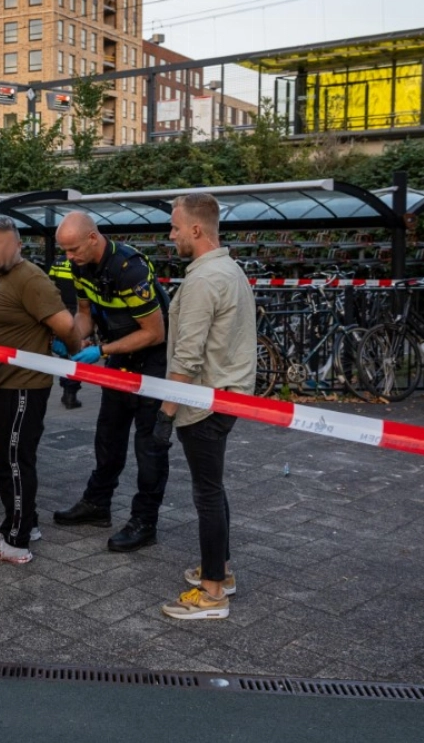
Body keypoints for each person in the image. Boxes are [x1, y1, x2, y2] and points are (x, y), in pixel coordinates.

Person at [156, 193, 257, 621]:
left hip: (204, 403)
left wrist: (165, 413)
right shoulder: (230, 269)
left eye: (176, 227)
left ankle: (213, 594)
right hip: (226, 396)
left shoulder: (203, 280)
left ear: (196, 229)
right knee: (213, 488)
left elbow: (187, 357)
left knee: (207, 494)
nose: (171, 235)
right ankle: (221, 571)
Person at [51, 211, 170, 554]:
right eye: (64, 250)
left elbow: (155, 333)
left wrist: (101, 351)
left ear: (93, 238)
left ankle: (144, 522)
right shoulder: (79, 266)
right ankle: (97, 504)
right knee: (108, 435)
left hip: (152, 361)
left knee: (149, 446)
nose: (68, 257)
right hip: (119, 355)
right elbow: (85, 314)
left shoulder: (130, 269)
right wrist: (72, 339)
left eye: (73, 249)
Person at [0, 216, 81, 565]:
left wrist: (73, 350)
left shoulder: (30, 278)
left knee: (16, 462)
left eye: (5, 244)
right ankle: (20, 522)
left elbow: (66, 326)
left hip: (21, 387)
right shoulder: (3, 277)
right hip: (2, 385)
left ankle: (16, 542)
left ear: (18, 244)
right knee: (5, 461)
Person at [48, 257, 83, 409]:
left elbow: (50, 287)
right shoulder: (83, 262)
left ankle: (66, 390)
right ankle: (71, 393)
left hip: (61, 310)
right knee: (77, 353)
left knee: (64, 353)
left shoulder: (57, 262)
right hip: (80, 310)